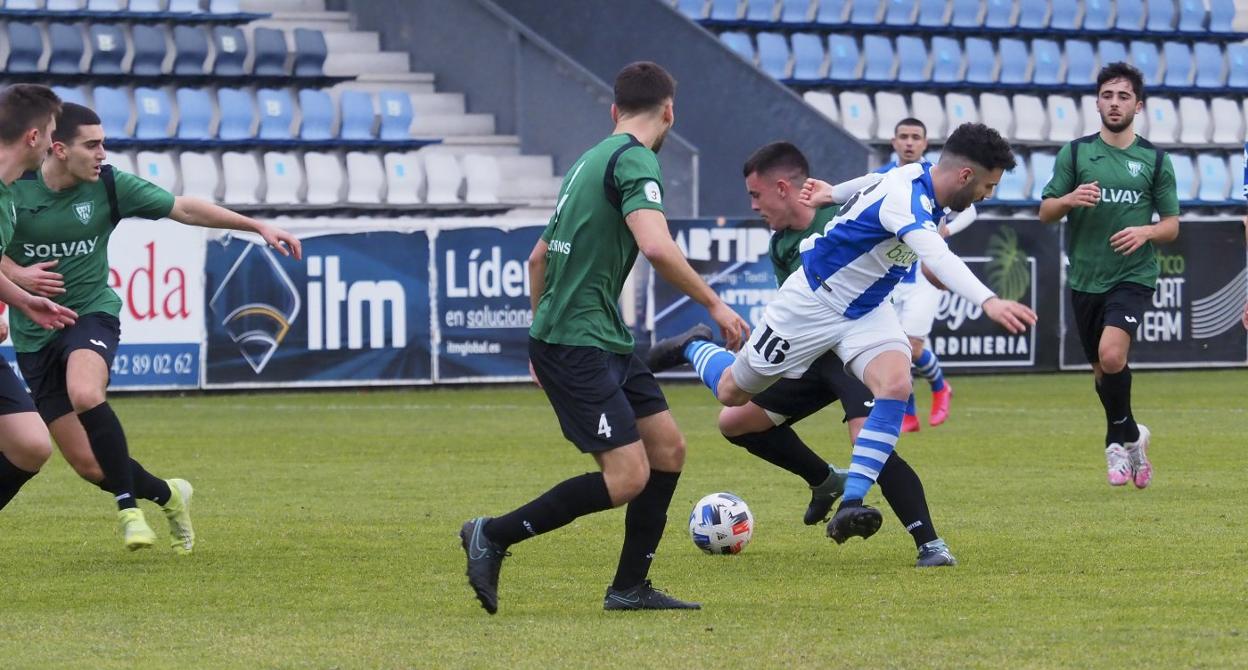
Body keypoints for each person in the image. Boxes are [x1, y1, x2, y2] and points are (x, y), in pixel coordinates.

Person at [649, 123, 1035, 545]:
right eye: (987, 186)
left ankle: (852, 502)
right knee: (731, 395)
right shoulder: (907, 202)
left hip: (867, 310)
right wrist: (989, 301)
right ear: (965, 176)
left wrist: (833, 193)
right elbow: (937, 256)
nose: (988, 194)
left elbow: (875, 180)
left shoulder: (917, 176)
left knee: (896, 383)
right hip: (812, 303)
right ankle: (694, 344)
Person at [459, 62, 750, 615]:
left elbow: (537, 257)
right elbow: (658, 246)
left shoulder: (588, 160)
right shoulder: (637, 160)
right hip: (578, 342)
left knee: (668, 449)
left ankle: (628, 588)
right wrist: (715, 302)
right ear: (669, 112)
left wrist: (536, 334)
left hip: (594, 337)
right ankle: (491, 534)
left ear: (614, 111)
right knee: (627, 476)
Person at [2, 102, 302, 552]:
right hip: (34, 334)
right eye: (93, 144)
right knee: (88, 464)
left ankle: (129, 513)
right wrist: (19, 278)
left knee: (86, 392)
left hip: (90, 314)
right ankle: (170, 494)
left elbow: (183, 209)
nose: (103, 153)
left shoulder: (108, 184)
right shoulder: (14, 188)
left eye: (104, 142)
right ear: (58, 149)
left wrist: (254, 225)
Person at [724, 140, 954, 566]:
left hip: (856, 340)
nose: (754, 206)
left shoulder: (843, 214)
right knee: (735, 421)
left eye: (755, 196)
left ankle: (930, 543)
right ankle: (824, 480)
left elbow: (904, 214)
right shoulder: (780, 244)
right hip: (815, 350)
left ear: (782, 188)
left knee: (869, 436)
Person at [1038, 62, 1178, 490]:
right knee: (1102, 370)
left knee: (1113, 356)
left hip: (1132, 275)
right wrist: (1069, 199)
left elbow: (1172, 225)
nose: (1114, 103)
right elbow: (1045, 213)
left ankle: (1115, 444)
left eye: (1123, 96)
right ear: (1097, 101)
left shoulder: (1154, 160)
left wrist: (1146, 230)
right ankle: (1133, 437)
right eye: (1107, 95)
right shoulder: (1076, 154)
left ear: (1139, 105)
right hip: (1085, 276)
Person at [0, 84, 79, 516]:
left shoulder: (8, 193)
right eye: (51, 132)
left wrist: (25, 301)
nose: (54, 143)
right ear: (34, 138)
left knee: (29, 444)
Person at [876, 118, 978, 432]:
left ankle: (937, 388)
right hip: (888, 273)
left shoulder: (938, 176)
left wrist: (946, 228)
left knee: (911, 347)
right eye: (903, 136)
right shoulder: (881, 177)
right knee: (895, 348)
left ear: (925, 143)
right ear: (893, 142)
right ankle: (910, 413)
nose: (909, 142)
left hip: (924, 274)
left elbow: (971, 209)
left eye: (915, 137)